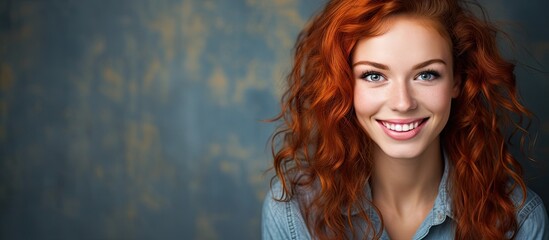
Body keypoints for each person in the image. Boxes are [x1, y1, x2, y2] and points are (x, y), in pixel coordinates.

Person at [261, 0, 549, 239]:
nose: (402, 103)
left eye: (426, 74)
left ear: (457, 81)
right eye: (374, 75)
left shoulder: (519, 221)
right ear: (344, 85)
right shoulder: (293, 214)